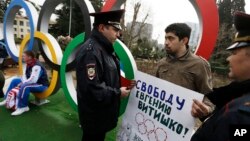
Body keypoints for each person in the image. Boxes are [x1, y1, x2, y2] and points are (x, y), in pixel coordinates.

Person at [76, 9, 135, 141]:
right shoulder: (91, 52)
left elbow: (108, 76)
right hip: (94, 117)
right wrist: (117, 93)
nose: (118, 34)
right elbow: (92, 88)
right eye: (115, 29)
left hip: (101, 115)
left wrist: (124, 83)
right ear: (102, 28)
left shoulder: (104, 48)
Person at [191, 11, 250, 141]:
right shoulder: (235, 98)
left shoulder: (241, 116)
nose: (228, 59)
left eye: (234, 52)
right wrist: (209, 116)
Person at [155, 23, 214, 125]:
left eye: (171, 38)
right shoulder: (161, 63)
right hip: (157, 119)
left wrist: (207, 109)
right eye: (165, 38)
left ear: (184, 40)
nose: (166, 42)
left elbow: (208, 95)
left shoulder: (199, 64)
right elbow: (153, 88)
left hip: (181, 126)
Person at [0, 50, 49, 116]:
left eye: (24, 56)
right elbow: (25, 76)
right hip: (34, 83)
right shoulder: (29, 63)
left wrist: (23, 83)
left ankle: (23, 107)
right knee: (15, 80)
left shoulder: (36, 66)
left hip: (42, 85)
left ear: (29, 57)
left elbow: (33, 80)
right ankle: (7, 99)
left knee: (25, 86)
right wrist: (23, 81)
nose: (22, 57)